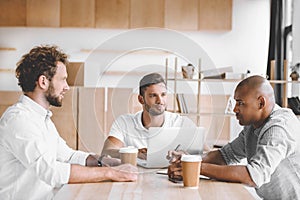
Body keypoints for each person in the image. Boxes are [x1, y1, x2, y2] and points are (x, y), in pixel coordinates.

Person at [0, 45, 137, 199]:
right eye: (63, 80)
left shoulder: (41, 119)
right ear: (43, 82)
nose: (67, 87)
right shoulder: (19, 120)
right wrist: (110, 173)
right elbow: (50, 171)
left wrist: (104, 161)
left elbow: (68, 156)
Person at [168, 75, 300, 199]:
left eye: (240, 103)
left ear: (261, 103)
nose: (235, 109)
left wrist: (196, 167)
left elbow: (254, 175)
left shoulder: (279, 127)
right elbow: (226, 155)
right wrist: (189, 160)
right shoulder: (252, 126)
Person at [101, 72, 195, 159]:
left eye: (163, 95)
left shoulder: (183, 123)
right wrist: (134, 153)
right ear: (141, 99)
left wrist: (186, 155)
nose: (160, 101)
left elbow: (206, 154)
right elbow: (107, 152)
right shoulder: (124, 122)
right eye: (153, 95)